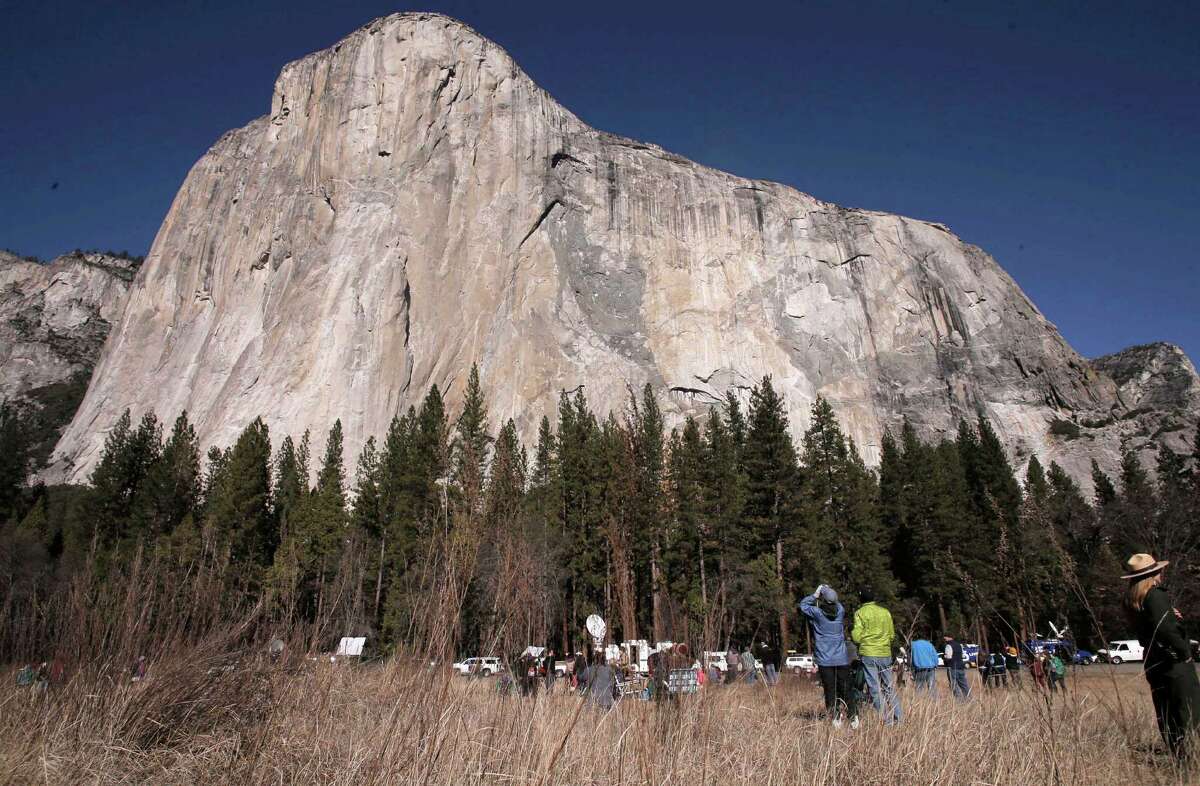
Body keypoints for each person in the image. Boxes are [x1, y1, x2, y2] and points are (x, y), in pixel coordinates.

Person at [1124, 553, 1200, 760]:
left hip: (1153, 662)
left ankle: (1178, 756)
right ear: (1155, 573)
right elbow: (1167, 630)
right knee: (1187, 711)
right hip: (1173, 662)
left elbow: (1147, 632)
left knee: (1166, 712)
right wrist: (1184, 652)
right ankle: (1188, 761)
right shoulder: (1155, 595)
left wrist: (1167, 613)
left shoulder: (1132, 600)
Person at [800, 584, 858, 728]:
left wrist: (816, 594)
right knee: (846, 688)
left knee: (830, 689)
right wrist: (830, 592)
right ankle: (853, 717)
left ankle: (835, 718)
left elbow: (803, 605)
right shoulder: (840, 612)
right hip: (841, 658)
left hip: (825, 660)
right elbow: (837, 603)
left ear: (823, 600)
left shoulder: (817, 613)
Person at [851, 588, 901, 724]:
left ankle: (887, 720)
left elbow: (856, 636)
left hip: (869, 653)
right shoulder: (885, 612)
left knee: (874, 688)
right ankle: (899, 718)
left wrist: (862, 638)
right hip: (885, 653)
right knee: (889, 687)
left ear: (861, 599)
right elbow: (891, 635)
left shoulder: (860, 613)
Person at [943, 636, 970, 700]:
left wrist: (943, 657)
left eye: (945, 638)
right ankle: (969, 699)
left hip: (952, 667)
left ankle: (959, 700)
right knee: (964, 685)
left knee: (954, 685)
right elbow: (962, 656)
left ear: (948, 637)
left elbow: (948, 657)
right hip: (961, 667)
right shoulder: (959, 645)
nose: (944, 639)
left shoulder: (948, 646)